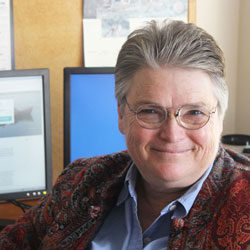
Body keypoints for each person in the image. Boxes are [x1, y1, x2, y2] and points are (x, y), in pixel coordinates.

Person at [0, 19, 249, 250]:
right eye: (150, 111)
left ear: (220, 117)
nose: (172, 134)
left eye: (194, 112)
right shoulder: (80, 182)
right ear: (122, 115)